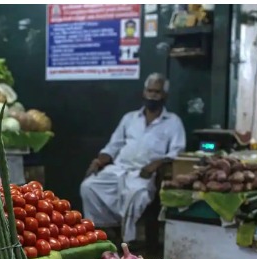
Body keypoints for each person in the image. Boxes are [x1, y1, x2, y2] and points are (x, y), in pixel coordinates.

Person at [80, 73, 186, 243]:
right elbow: (114, 145)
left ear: (164, 95)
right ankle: (105, 230)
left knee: (137, 194)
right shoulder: (129, 118)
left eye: (156, 92)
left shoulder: (173, 122)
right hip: (119, 169)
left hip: (145, 173)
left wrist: (156, 164)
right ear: (144, 92)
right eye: (149, 90)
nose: (152, 95)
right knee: (89, 187)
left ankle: (127, 239)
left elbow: (176, 152)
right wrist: (100, 160)